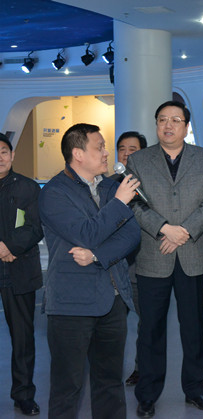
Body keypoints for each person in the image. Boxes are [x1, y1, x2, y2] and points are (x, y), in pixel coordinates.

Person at [39, 123, 141, 418]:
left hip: (113, 299)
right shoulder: (54, 193)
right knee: (67, 387)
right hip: (71, 304)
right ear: (78, 154)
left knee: (110, 383)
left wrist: (97, 256)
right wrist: (119, 203)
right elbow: (86, 233)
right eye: (100, 147)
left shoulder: (110, 186)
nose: (107, 153)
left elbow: (131, 235)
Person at [127, 101, 203, 417]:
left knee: (193, 328)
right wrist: (164, 229)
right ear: (156, 124)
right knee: (150, 329)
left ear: (186, 126)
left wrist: (184, 232)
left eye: (175, 120)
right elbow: (135, 204)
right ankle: (147, 395)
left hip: (192, 255)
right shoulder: (139, 160)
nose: (168, 125)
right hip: (153, 254)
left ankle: (196, 390)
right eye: (162, 120)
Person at [0, 134, 43, 416]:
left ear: (12, 155)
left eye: (4, 151)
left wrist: (9, 246)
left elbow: (36, 226)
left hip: (19, 269)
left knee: (23, 337)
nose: (0, 157)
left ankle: (24, 394)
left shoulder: (28, 188)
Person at [111, 130, 147, 387]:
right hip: (114, 267)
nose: (125, 154)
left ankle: (141, 369)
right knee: (112, 325)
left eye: (132, 149)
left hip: (143, 266)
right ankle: (109, 371)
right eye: (122, 149)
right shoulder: (108, 184)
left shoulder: (151, 183)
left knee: (146, 324)